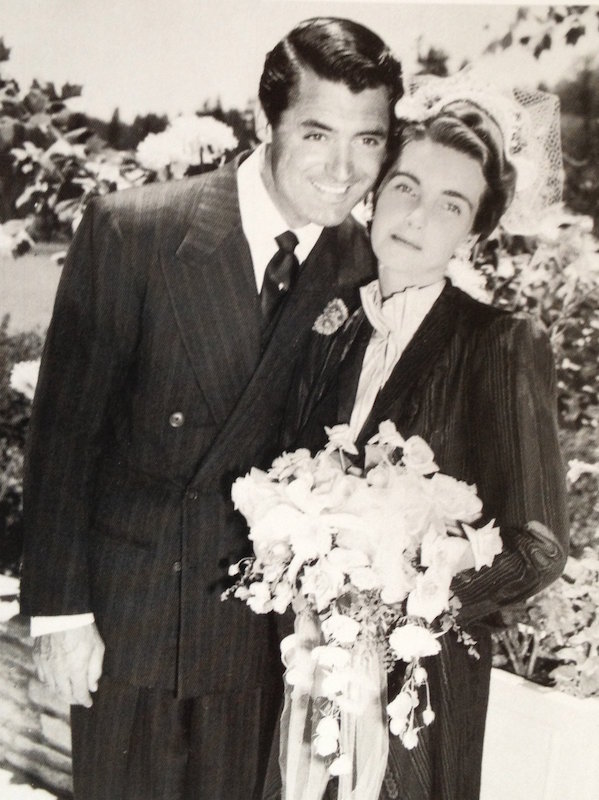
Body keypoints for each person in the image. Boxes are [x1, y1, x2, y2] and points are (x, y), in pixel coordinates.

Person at [19, 17, 403, 800]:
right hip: (131, 623)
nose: (342, 169)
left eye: (368, 141)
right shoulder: (136, 232)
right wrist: (60, 616)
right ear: (263, 123)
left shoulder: (360, 264)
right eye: (317, 134)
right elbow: (64, 435)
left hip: (261, 644)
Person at [276, 74, 569, 800]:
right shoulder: (330, 326)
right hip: (307, 663)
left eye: (451, 204)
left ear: (474, 231)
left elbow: (539, 546)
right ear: (375, 194)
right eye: (405, 187)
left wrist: (409, 603)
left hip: (420, 680)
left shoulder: (498, 342)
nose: (416, 217)